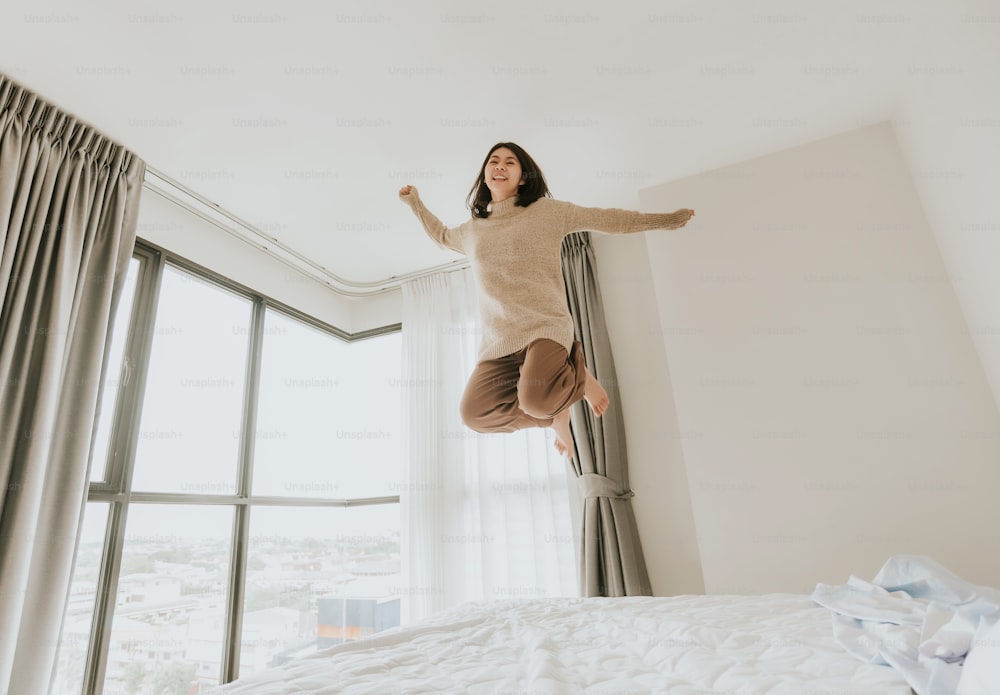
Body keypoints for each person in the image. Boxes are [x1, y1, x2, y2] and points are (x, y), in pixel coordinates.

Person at [399, 141, 694, 459]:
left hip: (545, 330)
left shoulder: (547, 212)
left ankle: (578, 380)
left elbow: (605, 218)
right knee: (474, 414)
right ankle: (555, 416)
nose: (500, 166)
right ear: (485, 176)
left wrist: (664, 220)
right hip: (499, 343)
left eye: (510, 162)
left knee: (535, 399)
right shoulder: (473, 231)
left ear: (523, 177)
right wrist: (415, 202)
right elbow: (441, 236)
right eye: (493, 161)